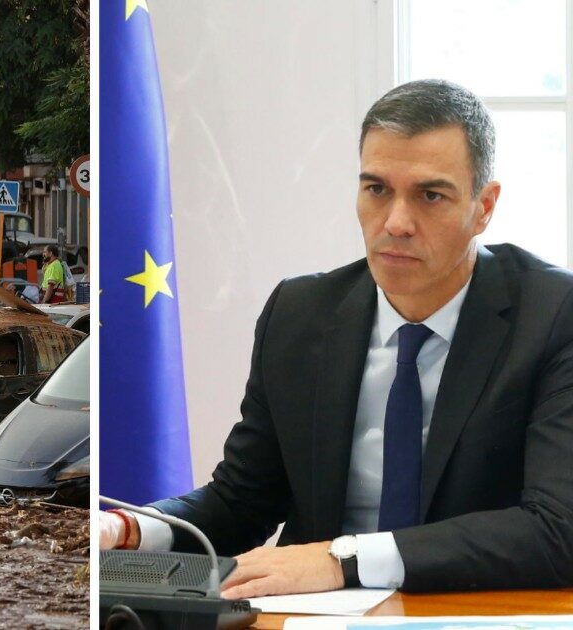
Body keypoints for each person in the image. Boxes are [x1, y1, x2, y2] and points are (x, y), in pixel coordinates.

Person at [100, 79, 573, 595]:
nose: (396, 222)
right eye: (377, 189)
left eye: (431, 195)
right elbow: (242, 501)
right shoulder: (300, 315)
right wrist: (129, 529)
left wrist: (342, 558)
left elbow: (556, 529)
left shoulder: (552, 316)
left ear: (484, 206)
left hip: (469, 609)